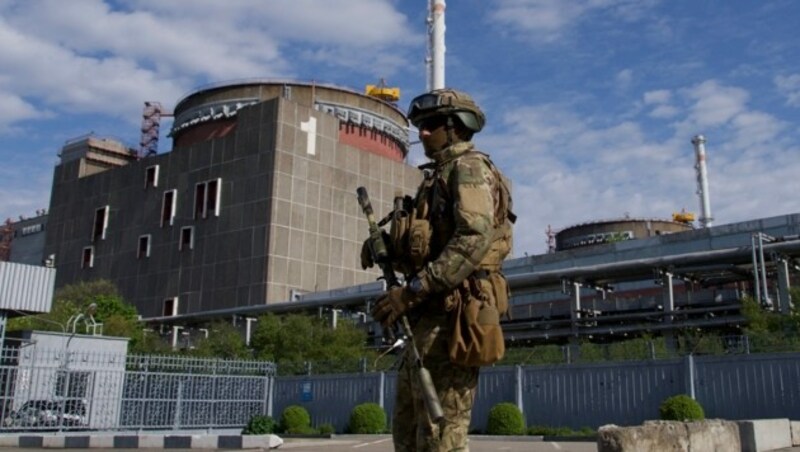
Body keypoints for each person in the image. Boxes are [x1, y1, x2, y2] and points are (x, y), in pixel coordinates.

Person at [364, 89, 514, 452]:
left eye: (431, 125)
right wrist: (387, 248)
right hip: (427, 317)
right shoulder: (437, 177)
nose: (423, 133)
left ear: (456, 127)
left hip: (454, 317)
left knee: (440, 434)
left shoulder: (469, 169)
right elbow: (431, 249)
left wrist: (411, 291)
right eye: (421, 126)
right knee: (409, 427)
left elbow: (472, 240)